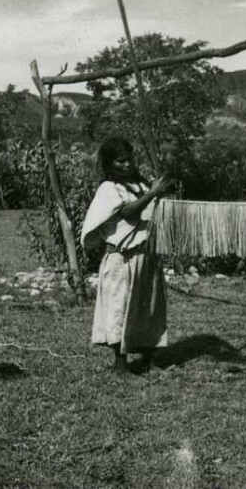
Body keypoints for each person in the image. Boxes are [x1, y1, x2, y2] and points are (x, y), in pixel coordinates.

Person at [80, 137, 171, 374]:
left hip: (146, 256)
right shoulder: (109, 188)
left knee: (148, 308)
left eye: (128, 159)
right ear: (110, 164)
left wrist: (156, 193)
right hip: (122, 258)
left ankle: (149, 358)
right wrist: (153, 193)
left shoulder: (141, 185)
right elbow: (129, 213)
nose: (126, 164)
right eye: (120, 161)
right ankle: (120, 364)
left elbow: (151, 210)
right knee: (119, 308)